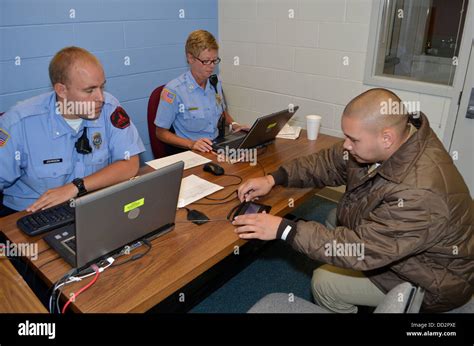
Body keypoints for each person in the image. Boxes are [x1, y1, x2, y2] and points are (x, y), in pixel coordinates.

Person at [233, 88, 473, 313]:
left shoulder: (419, 193)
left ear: (386, 138)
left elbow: (361, 249)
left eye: (353, 139)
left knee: (324, 283)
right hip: (404, 247)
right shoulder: (398, 140)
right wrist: (274, 178)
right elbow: (328, 162)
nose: (346, 144)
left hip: (431, 279)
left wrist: (284, 229)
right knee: (333, 217)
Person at [0, 46, 145, 216]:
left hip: (93, 205)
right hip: (34, 213)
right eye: (89, 90)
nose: (100, 97)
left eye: (102, 87)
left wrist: (76, 187)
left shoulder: (110, 109)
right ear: (61, 90)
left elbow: (130, 163)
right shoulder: (18, 122)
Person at [154, 29, 248, 154]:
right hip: (190, 151)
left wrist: (235, 125)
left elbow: (221, 112)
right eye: (206, 61)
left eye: (214, 60)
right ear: (190, 58)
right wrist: (191, 144)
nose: (211, 66)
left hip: (216, 147)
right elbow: (160, 133)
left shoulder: (214, 83)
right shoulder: (174, 90)